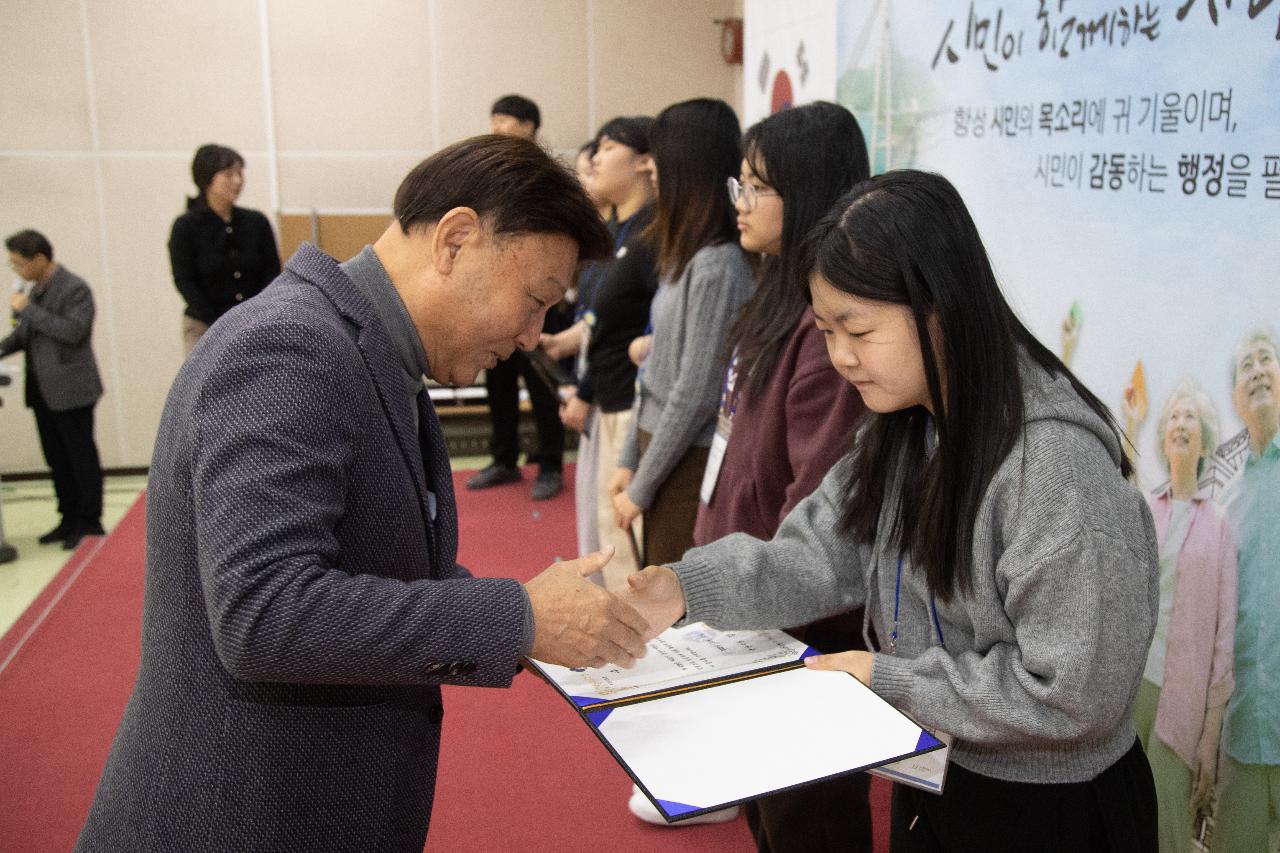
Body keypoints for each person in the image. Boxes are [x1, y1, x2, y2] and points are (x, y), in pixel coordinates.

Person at [74, 136, 651, 853]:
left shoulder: (364, 349)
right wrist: (518, 617)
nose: (534, 335)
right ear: (456, 240)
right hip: (237, 817)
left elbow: (372, 566)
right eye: (534, 301)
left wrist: (536, 618)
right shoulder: (291, 347)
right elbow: (263, 610)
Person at [620, 171, 1160, 852]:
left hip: (1048, 806)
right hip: (938, 769)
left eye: (858, 329)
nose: (841, 357)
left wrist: (891, 680)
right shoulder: (906, 423)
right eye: (826, 331)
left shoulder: (1052, 465)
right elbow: (816, 551)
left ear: (940, 309)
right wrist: (683, 587)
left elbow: (1074, 693)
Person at [700, 102, 873, 852]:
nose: (739, 203)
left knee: (808, 816)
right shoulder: (773, 296)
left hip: (797, 619)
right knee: (768, 812)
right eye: (737, 184)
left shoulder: (825, 328)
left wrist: (753, 598)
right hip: (752, 603)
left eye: (757, 187)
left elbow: (817, 499)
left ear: (808, 193)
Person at [608, 98, 754, 570]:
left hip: (688, 457)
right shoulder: (683, 255)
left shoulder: (718, 264)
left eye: (658, 158)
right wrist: (630, 458)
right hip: (660, 449)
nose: (650, 170)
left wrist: (641, 486)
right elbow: (656, 374)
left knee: (676, 592)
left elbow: (696, 393)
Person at [545, 116, 657, 588]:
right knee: (601, 534)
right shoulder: (615, 233)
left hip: (629, 400)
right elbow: (598, 318)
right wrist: (570, 356)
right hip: (604, 393)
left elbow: (641, 325)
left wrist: (586, 389)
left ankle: (634, 625)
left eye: (608, 148)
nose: (594, 160)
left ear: (644, 162)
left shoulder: (653, 235)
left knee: (624, 540)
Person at [1133, 379, 1235, 853]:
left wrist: (1210, 738)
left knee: (1170, 828)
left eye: (1189, 416)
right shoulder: (1144, 510)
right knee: (1124, 816)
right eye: (1173, 416)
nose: (1179, 423)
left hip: (1183, 703)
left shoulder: (1219, 526)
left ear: (1204, 440)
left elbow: (1223, 640)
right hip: (1131, 687)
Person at [469, 94, 567, 500]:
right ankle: (504, 459)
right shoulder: (487, 172)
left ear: (529, 126)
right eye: (493, 120)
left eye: (505, 120)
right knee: (499, 380)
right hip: (496, 294)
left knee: (542, 384)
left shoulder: (549, 174)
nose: (497, 127)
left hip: (540, 294)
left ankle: (551, 464)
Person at [1213, 326, 1280, 853]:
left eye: (1266, 359)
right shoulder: (1226, 508)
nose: (1257, 370)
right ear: (1236, 399)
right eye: (1245, 367)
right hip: (1243, 739)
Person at [2, 230, 105, 550]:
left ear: (40, 259)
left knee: (79, 457)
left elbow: (73, 331)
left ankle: (89, 522)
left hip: (71, 389)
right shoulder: (35, 290)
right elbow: (23, 335)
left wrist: (28, 309)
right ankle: (68, 517)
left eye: (19, 263)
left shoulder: (74, 288)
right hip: (41, 388)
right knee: (56, 459)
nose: (16, 270)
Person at [168, 143, 281, 355]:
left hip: (254, 324)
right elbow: (184, 280)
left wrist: (257, 315)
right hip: (205, 326)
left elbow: (271, 273)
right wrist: (219, 322)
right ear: (207, 179)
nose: (237, 181)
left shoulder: (256, 222)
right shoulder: (186, 226)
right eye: (228, 175)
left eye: (240, 173)